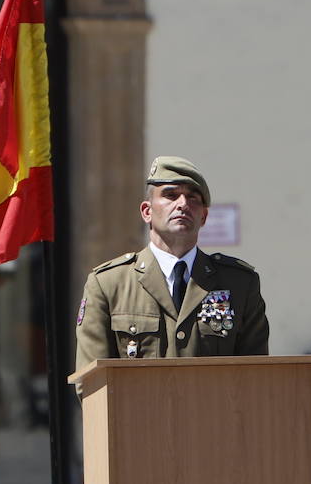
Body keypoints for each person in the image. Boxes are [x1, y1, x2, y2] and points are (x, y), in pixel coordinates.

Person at [74, 155, 269, 368]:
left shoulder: (239, 283)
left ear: (203, 217)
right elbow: (92, 381)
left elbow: (255, 373)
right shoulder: (109, 284)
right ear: (147, 211)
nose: (183, 204)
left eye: (193, 198)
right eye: (171, 195)